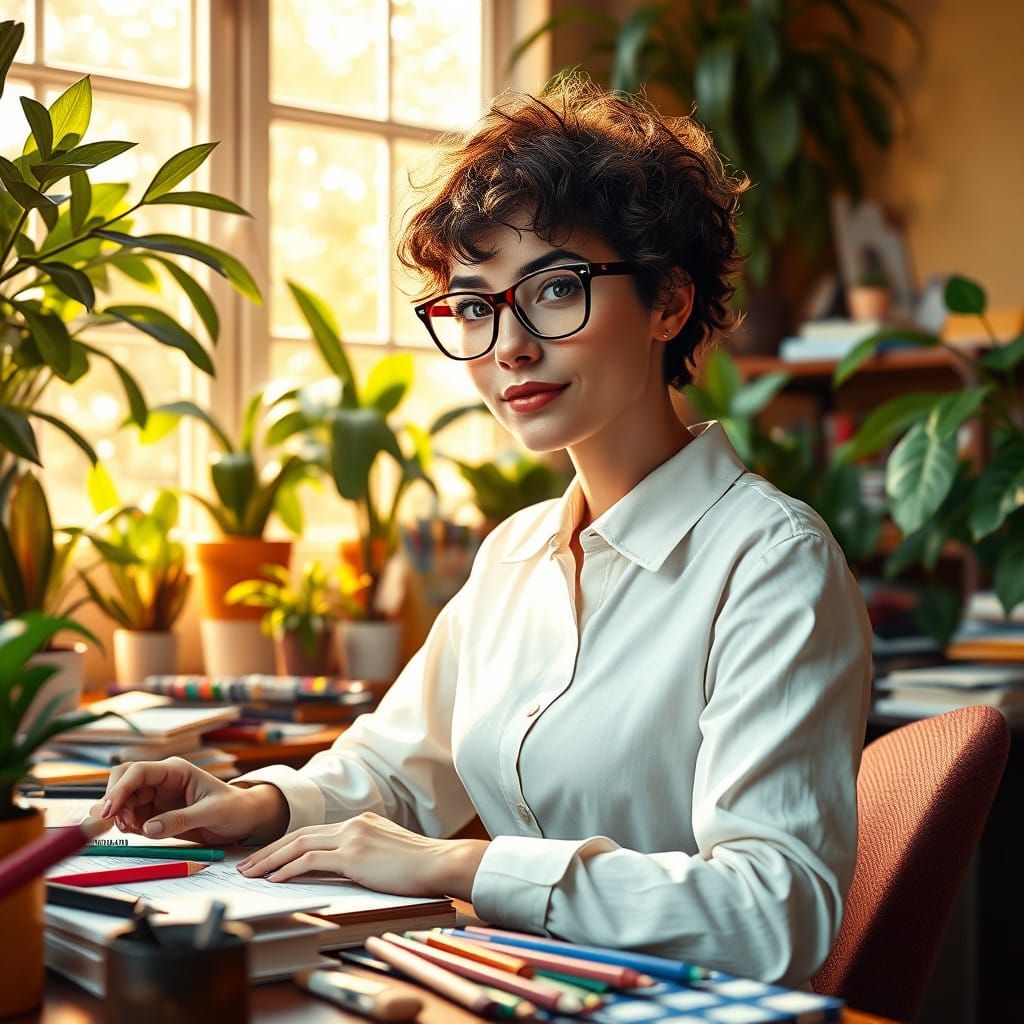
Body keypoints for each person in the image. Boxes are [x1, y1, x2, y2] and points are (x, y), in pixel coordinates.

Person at [93, 77, 872, 986]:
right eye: (472, 306)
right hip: (518, 987)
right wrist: (257, 802)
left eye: (553, 290)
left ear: (666, 303)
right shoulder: (515, 553)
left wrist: (458, 865)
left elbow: (776, 909)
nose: (508, 346)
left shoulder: (771, 563)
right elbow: (390, 770)